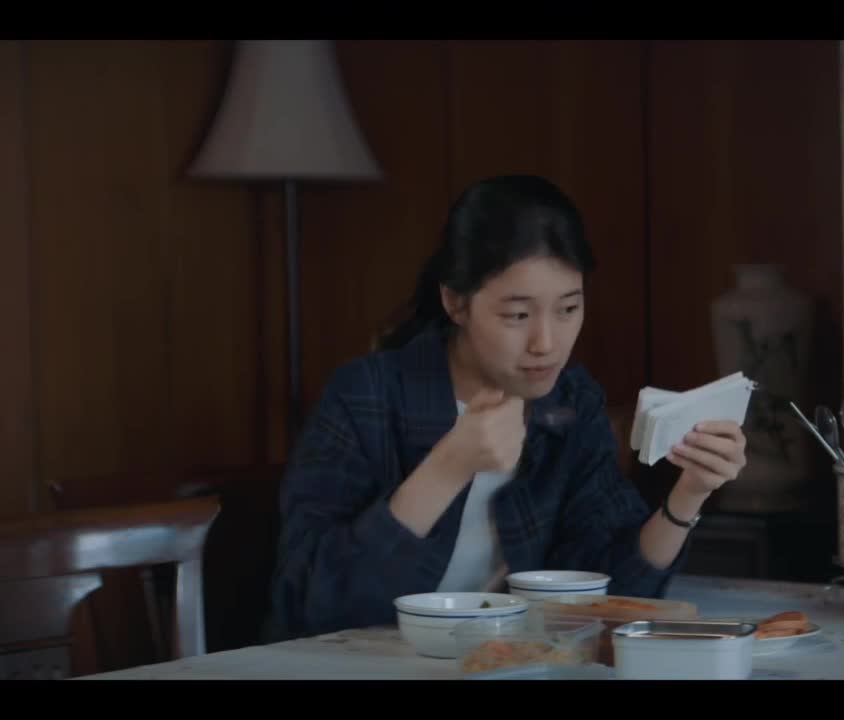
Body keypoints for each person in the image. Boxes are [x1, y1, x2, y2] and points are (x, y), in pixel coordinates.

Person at [267, 174, 748, 639]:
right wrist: (447, 467)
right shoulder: (366, 395)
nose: (546, 343)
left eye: (568, 309)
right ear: (455, 302)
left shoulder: (571, 401)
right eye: (518, 315)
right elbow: (312, 603)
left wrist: (689, 494)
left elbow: (609, 595)